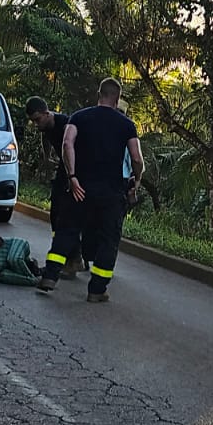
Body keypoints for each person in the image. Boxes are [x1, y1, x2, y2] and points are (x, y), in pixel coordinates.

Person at [36, 78, 143, 303]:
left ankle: (50, 276)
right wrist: (137, 180)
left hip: (80, 189)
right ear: (118, 97)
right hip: (111, 193)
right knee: (108, 239)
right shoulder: (126, 125)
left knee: (67, 231)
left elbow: (67, 144)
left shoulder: (79, 117)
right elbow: (136, 158)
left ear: (99, 94)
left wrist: (72, 176)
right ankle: (96, 290)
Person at [26, 96, 83, 278]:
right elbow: (46, 139)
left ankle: (72, 260)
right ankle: (71, 257)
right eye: (33, 121)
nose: (36, 124)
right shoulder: (46, 127)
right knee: (55, 212)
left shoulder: (65, 123)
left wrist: (72, 175)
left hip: (76, 168)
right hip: (64, 168)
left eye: (37, 119)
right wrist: (46, 157)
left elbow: (72, 146)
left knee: (66, 214)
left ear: (47, 113)